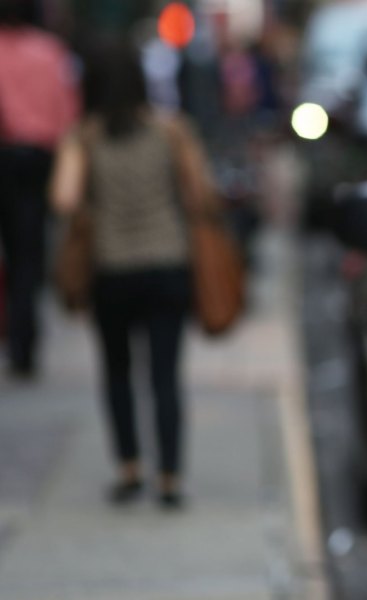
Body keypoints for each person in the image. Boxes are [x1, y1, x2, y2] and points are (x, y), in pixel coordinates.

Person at [49, 40, 216, 509]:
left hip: (112, 269)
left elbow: (63, 199)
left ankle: (128, 468)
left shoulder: (85, 136)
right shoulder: (172, 130)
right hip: (168, 264)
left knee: (117, 372)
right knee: (165, 374)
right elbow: (200, 195)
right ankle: (169, 477)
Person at [0, 0, 78, 376]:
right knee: (29, 254)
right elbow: (67, 114)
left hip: (7, 155)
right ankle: (24, 342)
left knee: (17, 254)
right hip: (38, 159)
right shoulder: (51, 52)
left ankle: (17, 337)